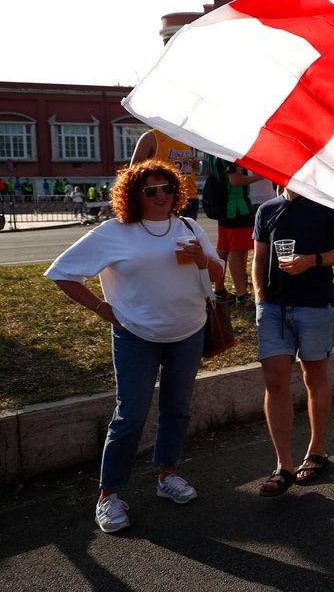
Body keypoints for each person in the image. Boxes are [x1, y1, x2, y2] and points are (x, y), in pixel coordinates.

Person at [44, 160, 224, 533]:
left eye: (167, 188)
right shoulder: (114, 232)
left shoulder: (189, 226)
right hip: (136, 335)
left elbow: (218, 272)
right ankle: (108, 496)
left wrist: (202, 259)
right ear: (133, 196)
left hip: (188, 331)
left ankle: (167, 475)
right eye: (151, 191)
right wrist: (104, 310)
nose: (161, 196)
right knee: (130, 415)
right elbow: (62, 273)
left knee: (177, 409)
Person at [252, 189, 334, 496]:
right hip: (273, 309)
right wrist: (260, 299)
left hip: (316, 306)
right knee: (274, 379)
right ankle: (283, 466)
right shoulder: (267, 209)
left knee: (314, 377)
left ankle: (317, 450)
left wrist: (313, 260)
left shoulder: (327, 204)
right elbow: (259, 258)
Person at [206, 155, 262, 306]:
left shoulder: (214, 151)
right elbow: (236, 180)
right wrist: (259, 176)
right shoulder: (230, 153)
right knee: (238, 252)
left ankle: (219, 290)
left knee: (223, 250)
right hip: (236, 207)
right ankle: (242, 295)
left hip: (224, 207)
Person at [130, 129, 202, 219]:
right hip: (163, 198)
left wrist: (197, 164)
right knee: (161, 232)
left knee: (188, 232)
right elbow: (133, 174)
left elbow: (196, 168)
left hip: (190, 196)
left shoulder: (187, 137)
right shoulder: (150, 138)